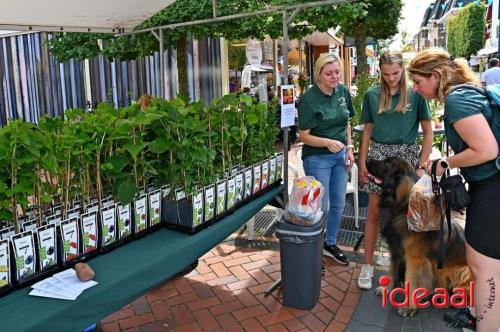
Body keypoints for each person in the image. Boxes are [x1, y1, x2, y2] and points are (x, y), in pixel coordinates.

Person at [408, 48, 500, 332]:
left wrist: (445, 162)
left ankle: (485, 322)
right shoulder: (470, 91)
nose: (415, 87)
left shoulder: (458, 99)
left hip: (492, 188)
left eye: (419, 81)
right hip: (491, 186)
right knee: (487, 265)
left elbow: (486, 149)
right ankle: (477, 314)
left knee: (484, 270)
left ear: (436, 76)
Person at [357, 51, 433, 290]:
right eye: (386, 73)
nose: (391, 78)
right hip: (379, 158)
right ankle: (367, 266)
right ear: (380, 70)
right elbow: (367, 131)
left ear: (403, 70)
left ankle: (402, 271)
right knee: (374, 213)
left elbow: (428, 131)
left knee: (409, 218)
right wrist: (362, 163)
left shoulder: (416, 95)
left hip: (406, 161)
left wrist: (421, 165)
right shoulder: (371, 95)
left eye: (396, 73)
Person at [298, 53, 355, 265]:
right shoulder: (309, 99)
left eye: (337, 72)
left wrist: (349, 148)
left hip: (340, 156)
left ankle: (329, 243)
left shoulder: (343, 92)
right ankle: (314, 248)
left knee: (339, 203)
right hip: (318, 157)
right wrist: (326, 142)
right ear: (319, 74)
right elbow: (304, 135)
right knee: (321, 206)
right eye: (329, 73)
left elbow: (347, 121)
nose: (334, 77)